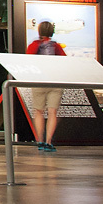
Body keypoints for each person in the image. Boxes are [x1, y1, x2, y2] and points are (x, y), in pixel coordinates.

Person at [26, 20, 66, 152]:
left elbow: (28, 60)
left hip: (39, 82)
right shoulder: (56, 46)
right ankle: (49, 142)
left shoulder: (34, 45)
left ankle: (40, 141)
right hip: (55, 81)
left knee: (38, 111)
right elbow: (64, 61)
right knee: (52, 112)